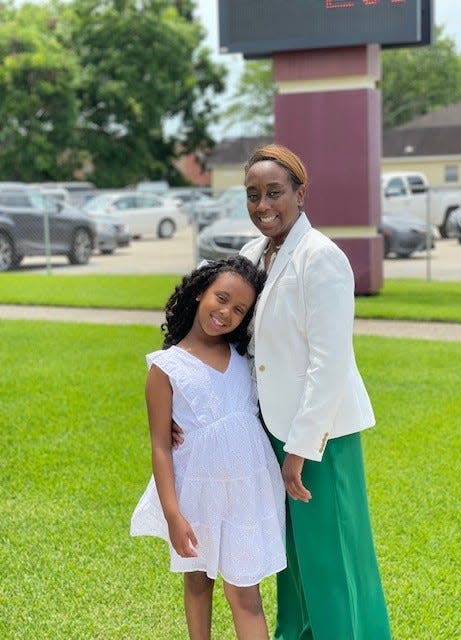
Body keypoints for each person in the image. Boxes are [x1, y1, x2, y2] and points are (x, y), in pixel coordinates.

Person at [238, 144, 391, 639]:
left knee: (334, 559)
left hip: (321, 437)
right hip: (269, 429)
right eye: (253, 195)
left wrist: (300, 450)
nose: (264, 205)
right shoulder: (248, 256)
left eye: (275, 193)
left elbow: (329, 364)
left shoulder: (322, 257)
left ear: (301, 195)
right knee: (293, 562)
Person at [130, 256, 286, 640]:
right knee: (198, 584)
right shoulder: (166, 368)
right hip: (196, 492)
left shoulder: (244, 357)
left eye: (239, 309)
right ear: (200, 291)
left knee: (246, 594)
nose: (226, 313)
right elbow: (161, 448)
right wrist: (172, 514)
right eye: (221, 298)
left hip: (246, 493)